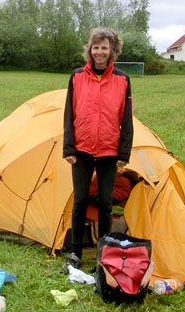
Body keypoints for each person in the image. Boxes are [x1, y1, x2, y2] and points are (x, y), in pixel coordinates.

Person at [62, 27, 133, 272]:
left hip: (109, 150)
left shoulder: (123, 80)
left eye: (104, 47)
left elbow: (127, 118)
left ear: (112, 50)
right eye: (96, 47)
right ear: (90, 50)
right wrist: (68, 147)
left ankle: (104, 252)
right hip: (80, 149)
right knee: (80, 200)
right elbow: (69, 113)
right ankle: (75, 253)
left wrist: (124, 153)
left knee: (105, 202)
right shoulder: (77, 76)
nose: (100, 52)